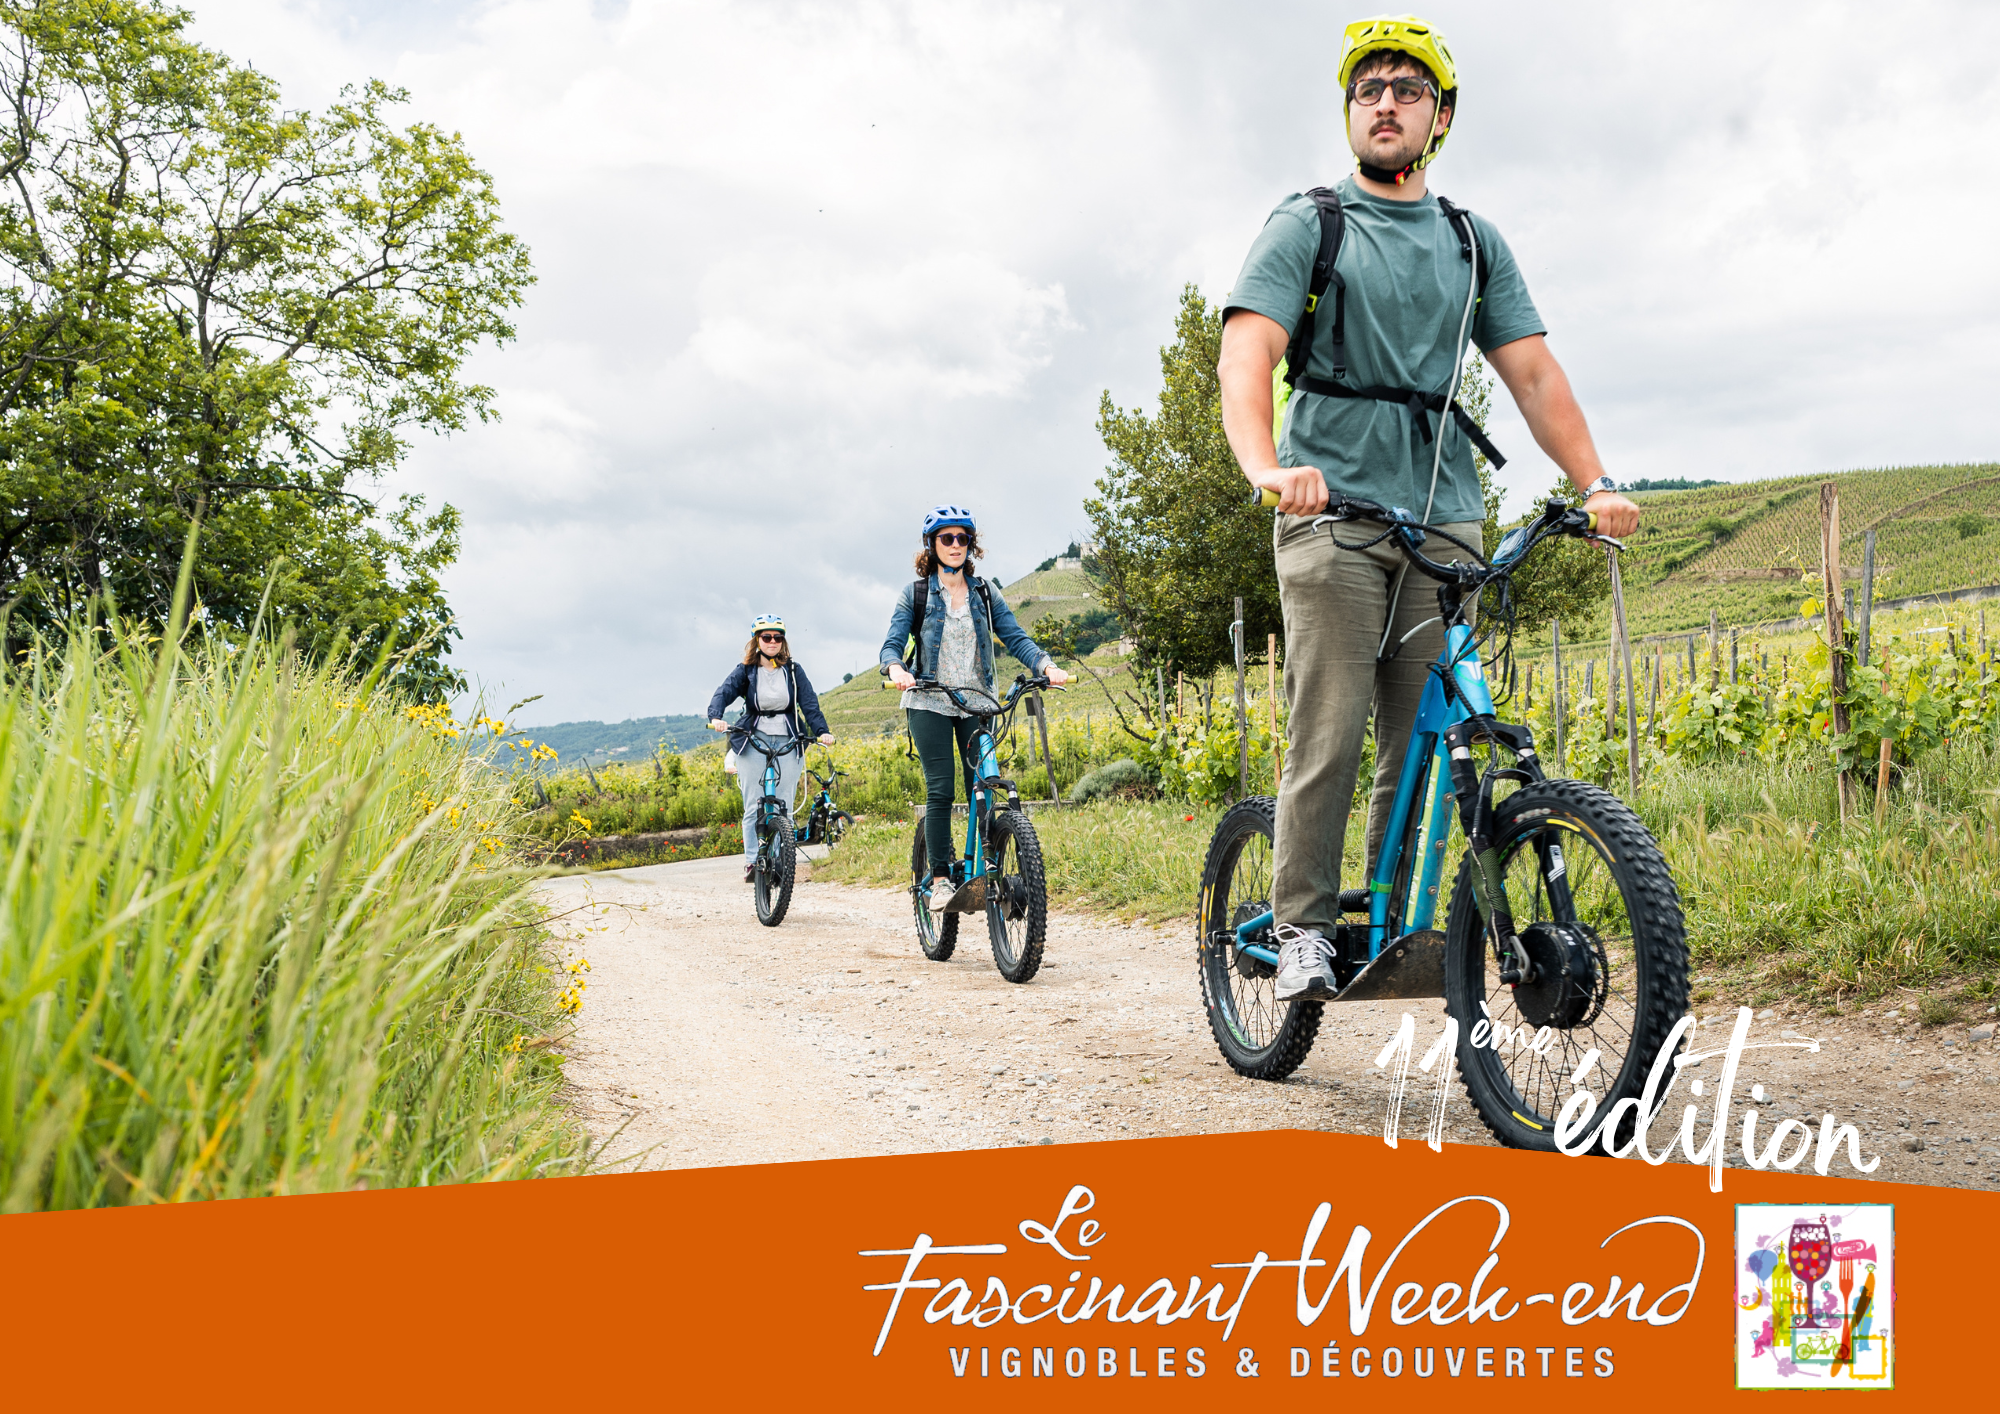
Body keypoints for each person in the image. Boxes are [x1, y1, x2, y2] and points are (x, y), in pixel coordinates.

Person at [1214, 14, 1642, 1001]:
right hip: (1331, 513)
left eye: (1406, 88)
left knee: (1424, 738)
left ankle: (1396, 916)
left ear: (1436, 116)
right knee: (1329, 722)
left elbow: (1531, 374)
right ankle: (1303, 926)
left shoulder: (1468, 241)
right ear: (1350, 111)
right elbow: (1247, 353)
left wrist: (1595, 480)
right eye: (1368, 88)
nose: (1385, 102)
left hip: (1444, 518)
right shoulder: (1307, 222)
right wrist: (1266, 467)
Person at [879, 506, 1070, 912]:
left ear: (971, 545)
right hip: (929, 699)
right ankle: (943, 879)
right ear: (932, 545)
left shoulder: (985, 592)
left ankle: (987, 865)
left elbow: (1014, 635)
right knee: (942, 788)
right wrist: (895, 666)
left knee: (984, 783)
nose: (955, 546)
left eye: (962, 539)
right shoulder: (915, 593)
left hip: (976, 701)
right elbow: (893, 640)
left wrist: (1045, 666)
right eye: (946, 539)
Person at [707, 614, 834, 882]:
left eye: (778, 637)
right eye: (767, 637)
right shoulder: (746, 670)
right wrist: (715, 717)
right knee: (754, 803)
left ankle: (779, 860)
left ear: (783, 641)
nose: (772, 641)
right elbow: (724, 692)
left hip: (788, 739)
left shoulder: (793, 670)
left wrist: (822, 731)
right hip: (754, 738)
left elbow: (809, 703)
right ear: (757, 640)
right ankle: (753, 862)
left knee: (783, 804)